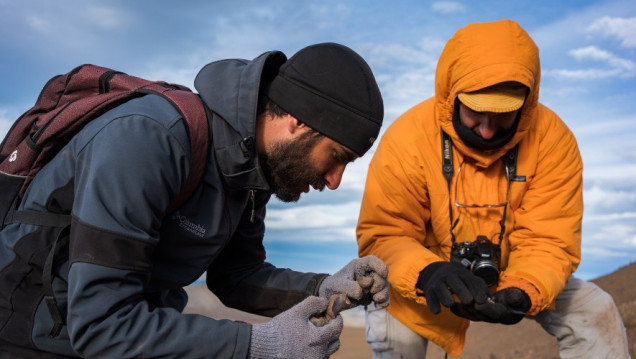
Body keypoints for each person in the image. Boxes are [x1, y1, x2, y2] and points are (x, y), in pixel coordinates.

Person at [0, 43, 389, 358]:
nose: (335, 181)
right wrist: (259, 345)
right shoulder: (150, 140)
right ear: (298, 121)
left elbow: (236, 278)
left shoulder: (250, 172)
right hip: (28, 336)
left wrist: (325, 287)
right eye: (336, 155)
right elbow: (102, 323)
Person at [357, 19, 630, 359]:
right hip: (432, 276)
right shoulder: (407, 139)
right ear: (451, 95)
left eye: (503, 114)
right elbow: (383, 235)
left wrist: (525, 288)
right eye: (476, 111)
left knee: (596, 309)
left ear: (526, 102)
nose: (487, 131)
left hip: (518, 272)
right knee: (391, 320)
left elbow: (550, 240)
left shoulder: (553, 140)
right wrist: (426, 272)